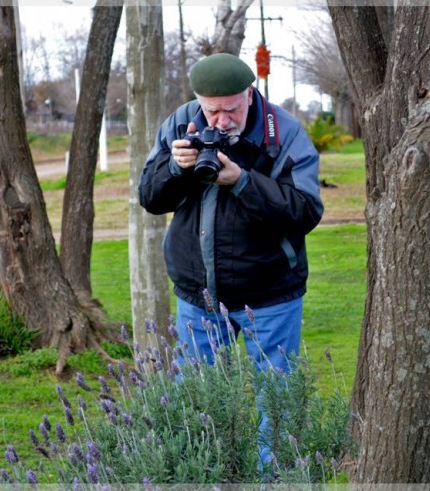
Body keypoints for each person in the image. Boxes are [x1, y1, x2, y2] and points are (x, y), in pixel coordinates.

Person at [138, 53, 323, 469]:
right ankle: (208, 477)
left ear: (250, 93)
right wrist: (175, 167)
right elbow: (150, 197)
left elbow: (305, 212)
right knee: (198, 403)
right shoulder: (178, 123)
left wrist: (241, 181)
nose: (220, 121)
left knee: (277, 405)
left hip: (271, 294)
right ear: (199, 101)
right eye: (212, 110)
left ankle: (274, 480)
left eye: (231, 109)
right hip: (198, 298)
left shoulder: (284, 132)